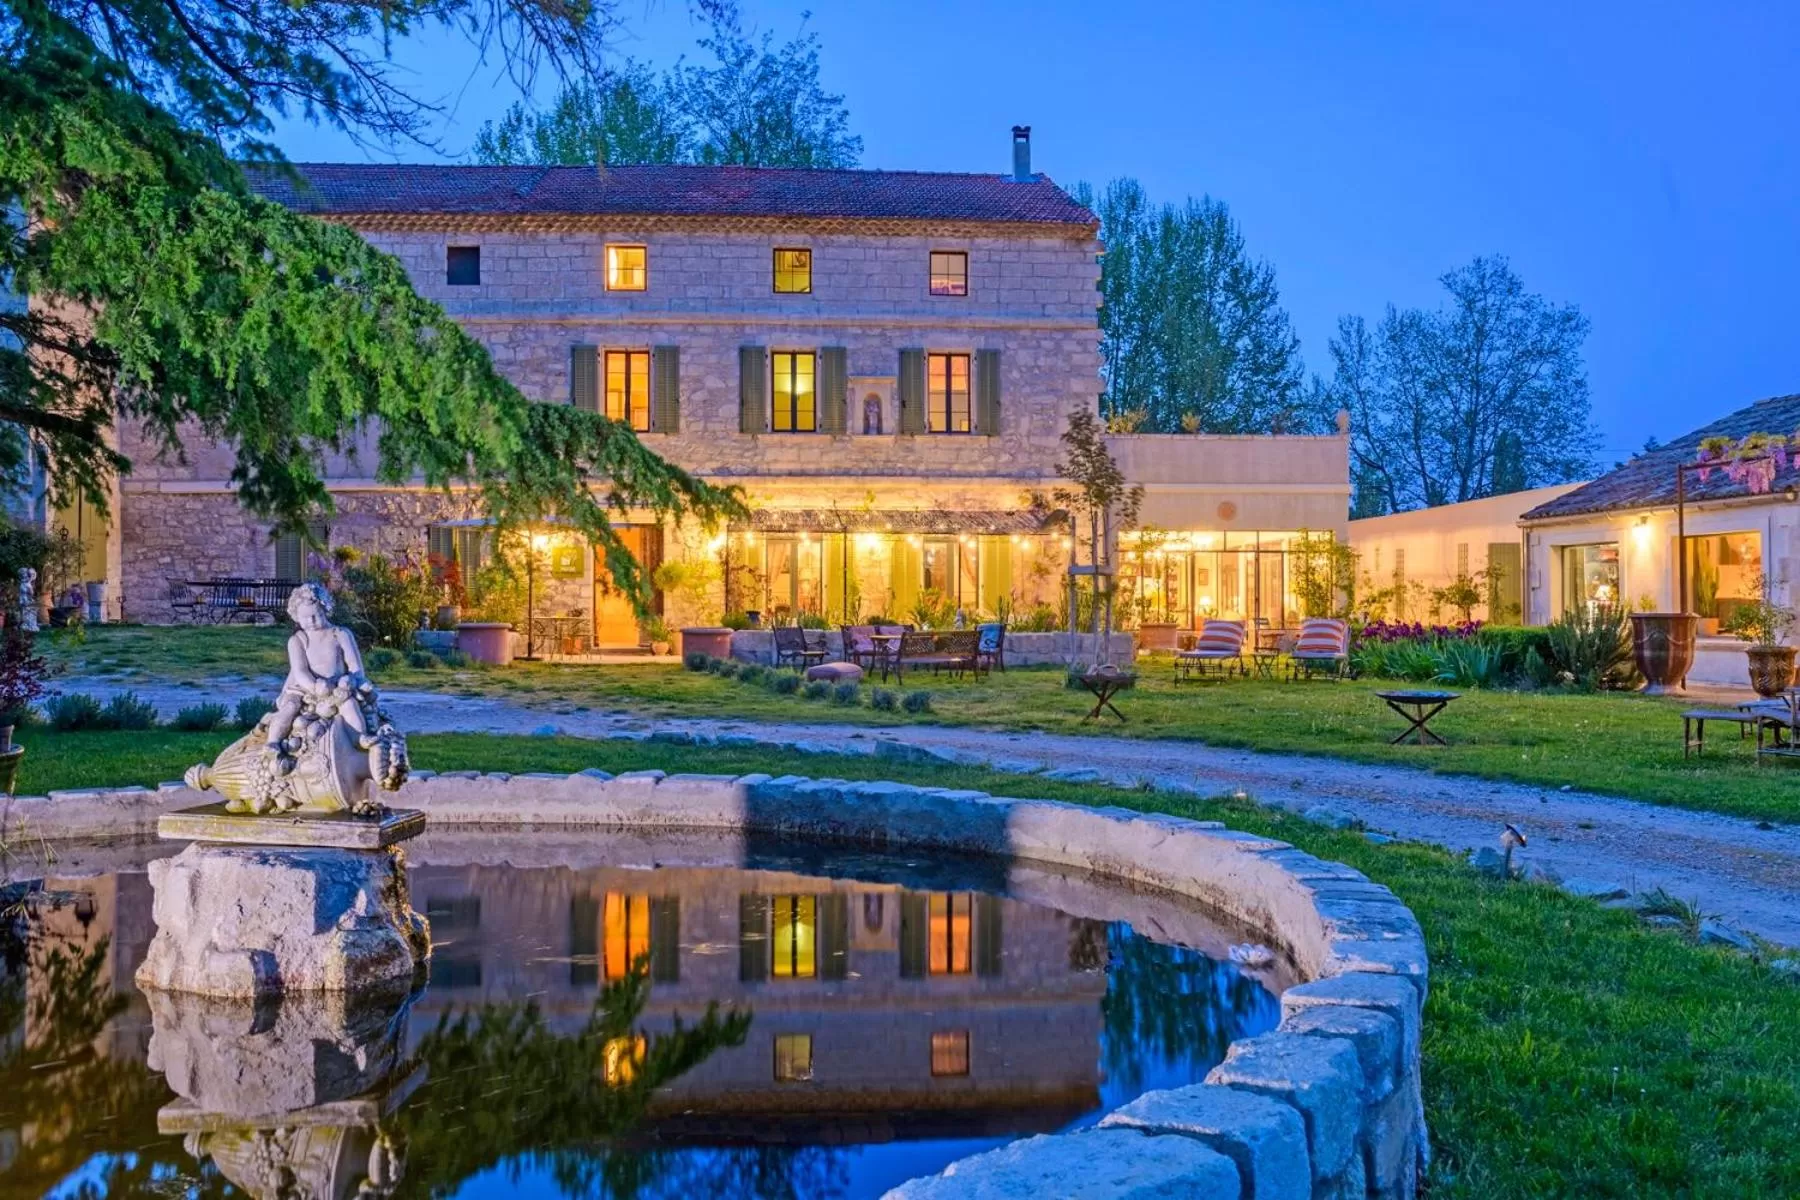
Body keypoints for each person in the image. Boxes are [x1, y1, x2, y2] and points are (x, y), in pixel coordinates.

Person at [267, 583, 375, 769]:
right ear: (296, 617)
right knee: (290, 708)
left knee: (349, 704)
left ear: (326, 610)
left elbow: (355, 666)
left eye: (317, 615)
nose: (311, 621)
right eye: (305, 617)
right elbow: (300, 672)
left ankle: (360, 737)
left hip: (337, 687)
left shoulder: (340, 634)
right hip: (304, 689)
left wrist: (350, 680)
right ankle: (273, 742)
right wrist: (315, 686)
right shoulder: (298, 640)